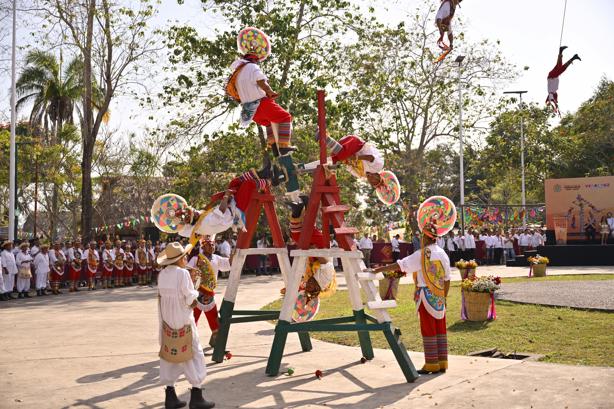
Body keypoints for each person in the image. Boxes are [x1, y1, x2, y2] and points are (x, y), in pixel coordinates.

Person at [228, 27, 299, 201]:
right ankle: (283, 146)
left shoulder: (238, 71)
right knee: (284, 118)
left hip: (249, 110)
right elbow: (261, 81)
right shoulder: (252, 68)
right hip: (262, 103)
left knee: (268, 124)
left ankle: (274, 148)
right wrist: (270, 91)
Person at [374, 221, 451, 375]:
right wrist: (444, 296)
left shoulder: (422, 254)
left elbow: (400, 265)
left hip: (425, 295)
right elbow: (447, 279)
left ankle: (431, 364)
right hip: (439, 296)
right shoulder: (443, 253)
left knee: (428, 328)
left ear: (425, 238)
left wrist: (378, 269)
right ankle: (442, 362)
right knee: (440, 328)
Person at [157, 242, 215, 409]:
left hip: (167, 322)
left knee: (170, 356)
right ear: (180, 258)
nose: (187, 259)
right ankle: (196, 396)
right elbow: (190, 300)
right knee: (193, 354)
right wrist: (196, 286)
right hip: (183, 320)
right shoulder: (182, 274)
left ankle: (170, 395)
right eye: (185, 256)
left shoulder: (162, 275)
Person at [188, 236, 230, 348]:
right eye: (209, 244)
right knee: (192, 319)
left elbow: (228, 264)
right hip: (197, 294)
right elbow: (187, 272)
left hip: (210, 294)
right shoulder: (196, 259)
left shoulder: (217, 258)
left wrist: (236, 255)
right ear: (203, 246)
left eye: (213, 244)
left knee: (214, 319)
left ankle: (216, 341)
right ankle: (190, 344)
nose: (212, 246)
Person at [546, 46, 581, 114]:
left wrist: (554, 108)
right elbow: (553, 102)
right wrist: (556, 108)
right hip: (554, 76)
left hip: (552, 76)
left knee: (561, 67)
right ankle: (569, 55)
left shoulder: (550, 94)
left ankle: (568, 55)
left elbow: (549, 102)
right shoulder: (554, 92)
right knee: (560, 66)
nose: (556, 101)